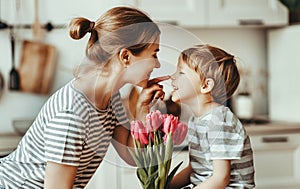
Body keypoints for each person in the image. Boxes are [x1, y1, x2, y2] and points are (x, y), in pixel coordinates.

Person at [0, 6, 169, 189]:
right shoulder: (72, 114)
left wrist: (143, 109)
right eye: (154, 54)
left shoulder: (111, 97)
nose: (157, 64)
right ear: (126, 56)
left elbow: (131, 156)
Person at [169, 44, 255, 189]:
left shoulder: (218, 121)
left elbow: (220, 178)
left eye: (181, 73)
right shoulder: (196, 120)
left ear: (205, 86)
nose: (173, 76)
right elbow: (195, 169)